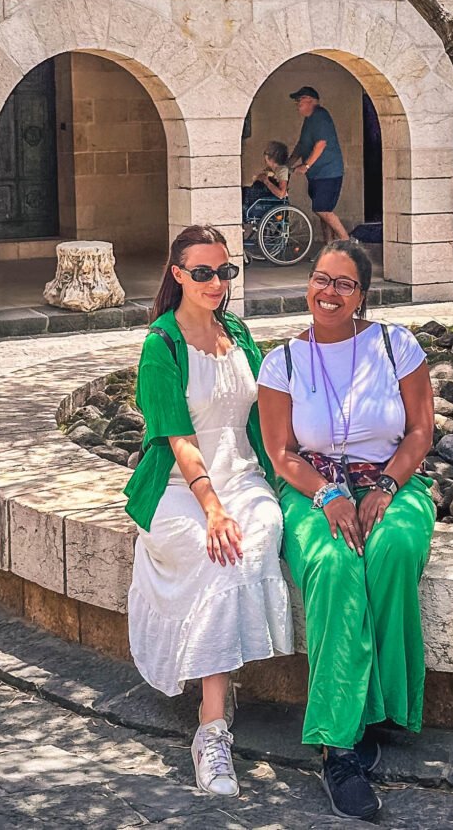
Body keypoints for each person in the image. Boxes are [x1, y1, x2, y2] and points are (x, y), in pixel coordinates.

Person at [256, 240, 435, 820]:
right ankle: (338, 745)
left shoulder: (394, 345)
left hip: (391, 481)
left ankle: (376, 710)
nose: (328, 292)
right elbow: (281, 452)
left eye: (344, 284)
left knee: (394, 548)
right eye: (320, 279)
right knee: (334, 566)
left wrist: (383, 487)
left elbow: (420, 432)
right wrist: (328, 494)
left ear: (362, 295)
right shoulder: (281, 360)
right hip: (313, 488)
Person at [124, 225, 294, 799]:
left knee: (253, 543)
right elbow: (178, 439)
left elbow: (267, 416)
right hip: (179, 487)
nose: (216, 283)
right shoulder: (161, 346)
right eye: (203, 273)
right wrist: (213, 509)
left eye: (225, 272)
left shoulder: (240, 334)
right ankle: (211, 729)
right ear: (177, 275)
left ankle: (215, 705)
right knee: (215, 555)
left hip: (243, 478)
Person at [288, 86, 349, 243]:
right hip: (317, 174)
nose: (297, 104)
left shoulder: (320, 116)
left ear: (310, 100)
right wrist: (288, 163)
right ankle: (328, 246)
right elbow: (302, 145)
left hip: (328, 172)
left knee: (322, 209)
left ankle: (347, 242)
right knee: (323, 211)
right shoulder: (309, 120)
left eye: (300, 100)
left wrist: (306, 165)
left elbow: (321, 143)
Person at [245, 140, 291, 207]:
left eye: (266, 153)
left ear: (272, 157)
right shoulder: (271, 169)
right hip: (265, 197)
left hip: (271, 202)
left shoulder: (282, 170)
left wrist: (266, 181)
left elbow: (281, 194)